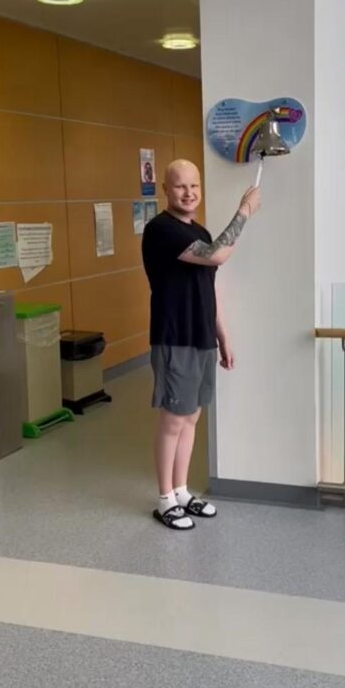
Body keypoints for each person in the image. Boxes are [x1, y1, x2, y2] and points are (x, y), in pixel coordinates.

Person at [141, 159, 261, 530]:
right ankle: (164, 499)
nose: (189, 192)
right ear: (166, 189)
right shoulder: (161, 230)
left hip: (201, 337)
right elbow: (219, 254)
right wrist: (245, 210)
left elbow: (207, 287)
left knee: (192, 417)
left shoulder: (201, 231)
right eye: (180, 186)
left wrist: (221, 333)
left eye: (194, 186)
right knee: (174, 419)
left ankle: (181, 490)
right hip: (174, 337)